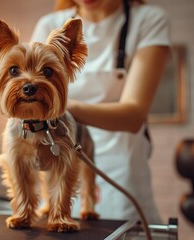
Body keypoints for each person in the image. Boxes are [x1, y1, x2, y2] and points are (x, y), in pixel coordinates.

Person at [31, 0, 170, 224]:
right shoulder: (49, 25)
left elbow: (134, 115)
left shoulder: (148, 20)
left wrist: (60, 108)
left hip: (120, 175)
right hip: (59, 172)